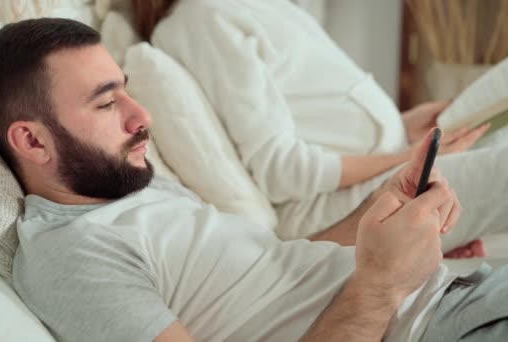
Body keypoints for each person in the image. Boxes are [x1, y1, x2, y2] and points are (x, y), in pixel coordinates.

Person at [0, 18, 507, 342]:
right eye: (108, 103)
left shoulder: (129, 183)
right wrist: (382, 282)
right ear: (33, 141)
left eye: (126, 92)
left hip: (455, 297)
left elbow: (280, 269)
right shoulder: (70, 255)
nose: (142, 117)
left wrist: (375, 216)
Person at [131, 0, 507, 258]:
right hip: (332, 206)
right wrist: (412, 157)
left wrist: (401, 126)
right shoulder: (201, 20)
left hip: (381, 167)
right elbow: (283, 170)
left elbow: (310, 114)